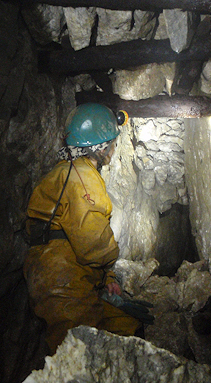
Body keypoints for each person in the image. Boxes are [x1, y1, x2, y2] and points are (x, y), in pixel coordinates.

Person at [23, 103, 142, 353]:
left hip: (61, 272)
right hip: (62, 279)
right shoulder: (81, 177)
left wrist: (106, 279)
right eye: (111, 143)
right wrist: (110, 266)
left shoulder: (67, 173)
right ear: (100, 147)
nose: (112, 149)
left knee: (125, 326)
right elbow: (94, 245)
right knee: (80, 354)